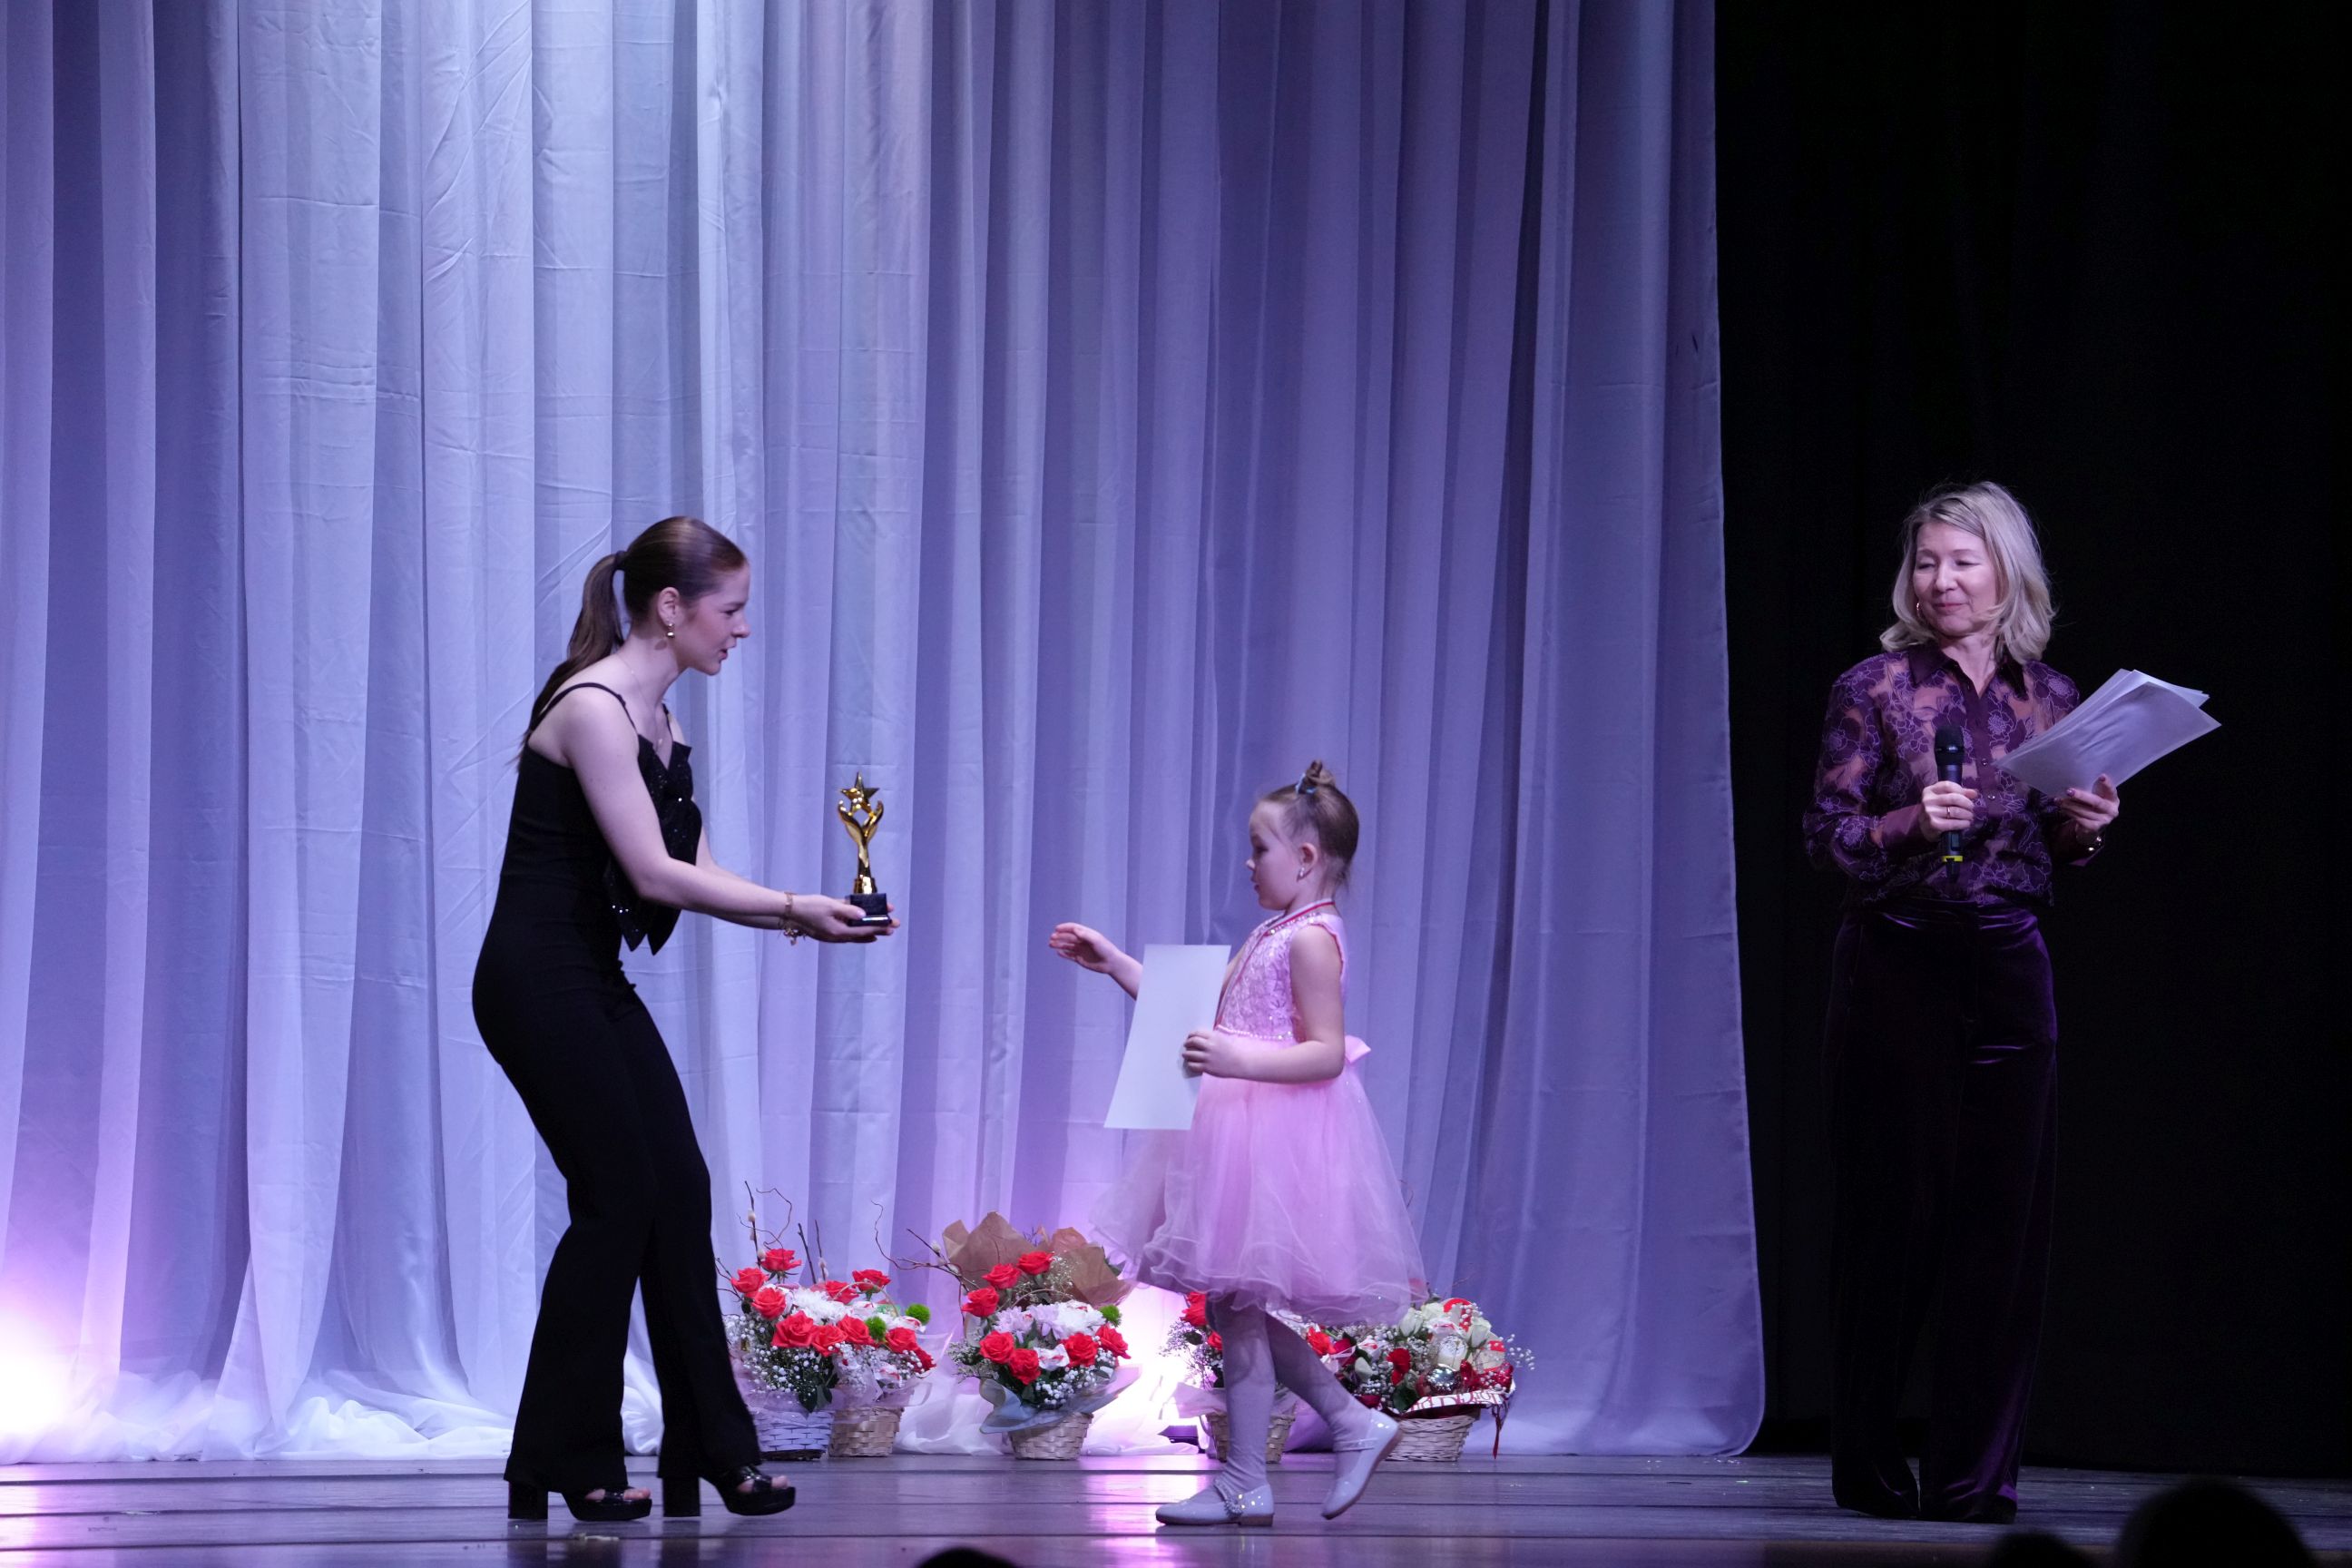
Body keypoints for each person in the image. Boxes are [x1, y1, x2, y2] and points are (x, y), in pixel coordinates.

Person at [473, 516, 893, 1522]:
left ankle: (710, 1451)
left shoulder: (663, 726)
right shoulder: (593, 708)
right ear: (672, 608)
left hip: (588, 976)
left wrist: (805, 912)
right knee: (619, 1196)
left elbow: (692, 868)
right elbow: (655, 874)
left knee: (679, 1189)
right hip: (534, 980)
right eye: (731, 609)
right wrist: (791, 907)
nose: (741, 629)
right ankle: (567, 1454)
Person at [1804, 482, 2119, 1524]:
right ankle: (1870, 1466)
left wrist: (2082, 828)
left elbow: (2048, 850)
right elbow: (1826, 838)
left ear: (2006, 572)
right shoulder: (1875, 686)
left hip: (2011, 963)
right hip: (1898, 956)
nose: (1941, 580)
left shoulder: (2054, 695)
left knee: (2004, 1222)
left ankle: (1974, 1476)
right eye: (1928, 561)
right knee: (1890, 1215)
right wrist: (1907, 822)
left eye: (1962, 561)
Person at [1051, 761, 1426, 1528]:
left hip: (1273, 1136)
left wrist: (1238, 1058)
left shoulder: (1312, 939)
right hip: (1237, 1128)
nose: (1249, 863)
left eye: (1259, 849)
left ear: (1306, 857)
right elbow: (1191, 1010)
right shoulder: (1271, 931)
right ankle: (1288, 1456)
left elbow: (1326, 1053)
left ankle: (1271, 1465)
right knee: (1234, 1305)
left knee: (1239, 1303)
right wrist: (1115, 962)